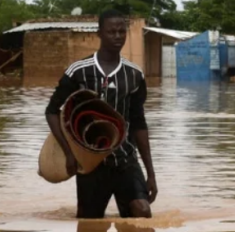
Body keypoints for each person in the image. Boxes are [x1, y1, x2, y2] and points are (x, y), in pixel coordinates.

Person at [45, 9, 157, 219]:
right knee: (88, 227)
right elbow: (52, 111)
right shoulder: (78, 71)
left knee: (142, 212)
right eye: (111, 32)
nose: (117, 37)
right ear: (99, 34)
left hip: (125, 160)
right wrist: (69, 153)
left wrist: (151, 173)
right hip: (90, 164)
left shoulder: (134, 75)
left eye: (121, 32)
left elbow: (139, 123)